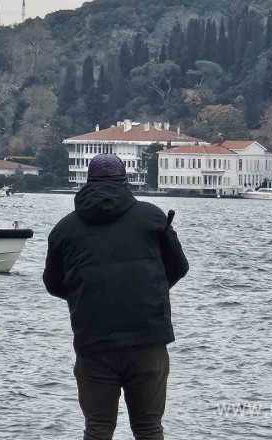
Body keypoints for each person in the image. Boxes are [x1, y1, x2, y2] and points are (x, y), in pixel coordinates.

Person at [43, 154, 189, 439]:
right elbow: (179, 267)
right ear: (125, 181)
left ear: (87, 182)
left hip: (93, 342)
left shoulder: (64, 229)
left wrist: (86, 295)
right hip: (148, 339)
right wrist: (151, 289)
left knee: (97, 429)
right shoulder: (152, 217)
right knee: (148, 428)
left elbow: (54, 284)